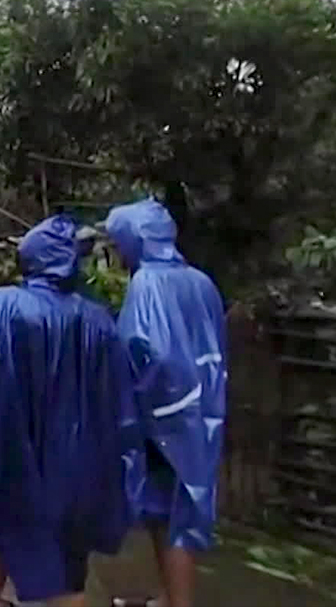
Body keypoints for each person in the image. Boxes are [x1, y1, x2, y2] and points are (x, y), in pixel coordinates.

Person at [0, 214, 143, 607]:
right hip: (74, 474)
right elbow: (122, 409)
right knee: (66, 581)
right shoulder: (100, 322)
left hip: (9, 464)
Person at [104, 198, 227, 607]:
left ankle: (180, 602)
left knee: (168, 513)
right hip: (199, 413)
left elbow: (142, 352)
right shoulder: (202, 282)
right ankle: (171, 596)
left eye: (120, 243)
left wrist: (126, 406)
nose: (119, 253)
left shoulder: (148, 285)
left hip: (162, 417)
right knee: (172, 509)